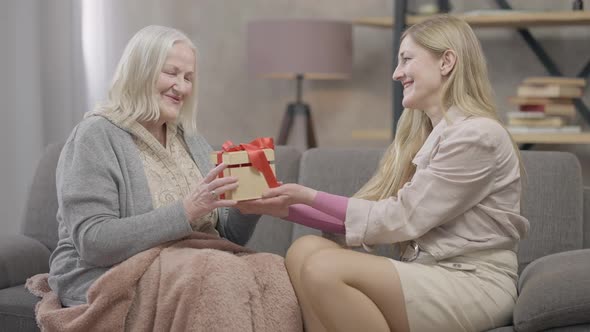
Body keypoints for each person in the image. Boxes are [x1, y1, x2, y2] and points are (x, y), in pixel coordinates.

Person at [237, 15, 530, 332]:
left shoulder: (477, 136)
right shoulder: (433, 133)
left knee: (324, 268)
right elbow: (372, 218)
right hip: (430, 272)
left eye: (407, 59)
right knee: (303, 251)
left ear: (446, 62)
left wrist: (308, 196)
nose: (396, 73)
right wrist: (287, 208)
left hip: (471, 282)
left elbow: (401, 218)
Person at [48, 25, 259, 307]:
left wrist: (248, 208)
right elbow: (93, 241)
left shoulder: (192, 140)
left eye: (188, 77)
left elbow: (227, 238)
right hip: (108, 274)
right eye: (171, 73)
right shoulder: (94, 136)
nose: (182, 86)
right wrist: (187, 209)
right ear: (140, 70)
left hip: (196, 264)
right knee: (216, 277)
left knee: (272, 272)